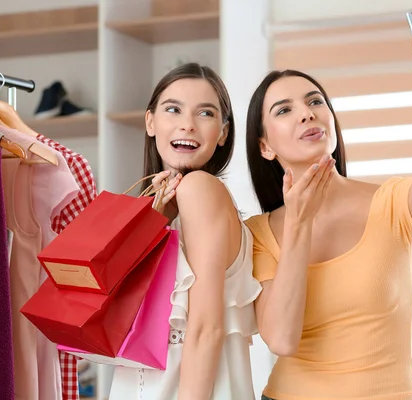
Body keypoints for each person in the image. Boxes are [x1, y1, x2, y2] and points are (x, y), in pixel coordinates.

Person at [244, 35, 412, 400]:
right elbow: (281, 339)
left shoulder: (392, 204)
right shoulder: (257, 233)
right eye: (284, 110)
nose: (307, 112)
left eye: (315, 101)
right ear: (265, 146)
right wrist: (299, 224)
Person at [109, 63, 261, 400]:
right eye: (173, 109)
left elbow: (207, 329)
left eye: (205, 113)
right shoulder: (158, 207)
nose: (187, 125)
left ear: (223, 132)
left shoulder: (200, 189)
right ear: (151, 121)